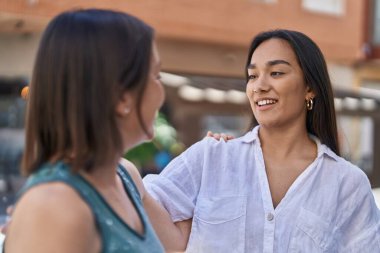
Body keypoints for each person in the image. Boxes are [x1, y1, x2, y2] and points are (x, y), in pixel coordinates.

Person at [143, 29, 380, 252]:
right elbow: (136, 215)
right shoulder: (211, 158)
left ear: (310, 88)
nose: (260, 86)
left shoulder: (347, 184)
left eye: (276, 73)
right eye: (252, 76)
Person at [4, 9, 189, 253]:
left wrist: (214, 160)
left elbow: (177, 245)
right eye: (156, 76)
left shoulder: (125, 176)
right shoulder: (54, 207)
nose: (161, 92)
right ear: (122, 97)